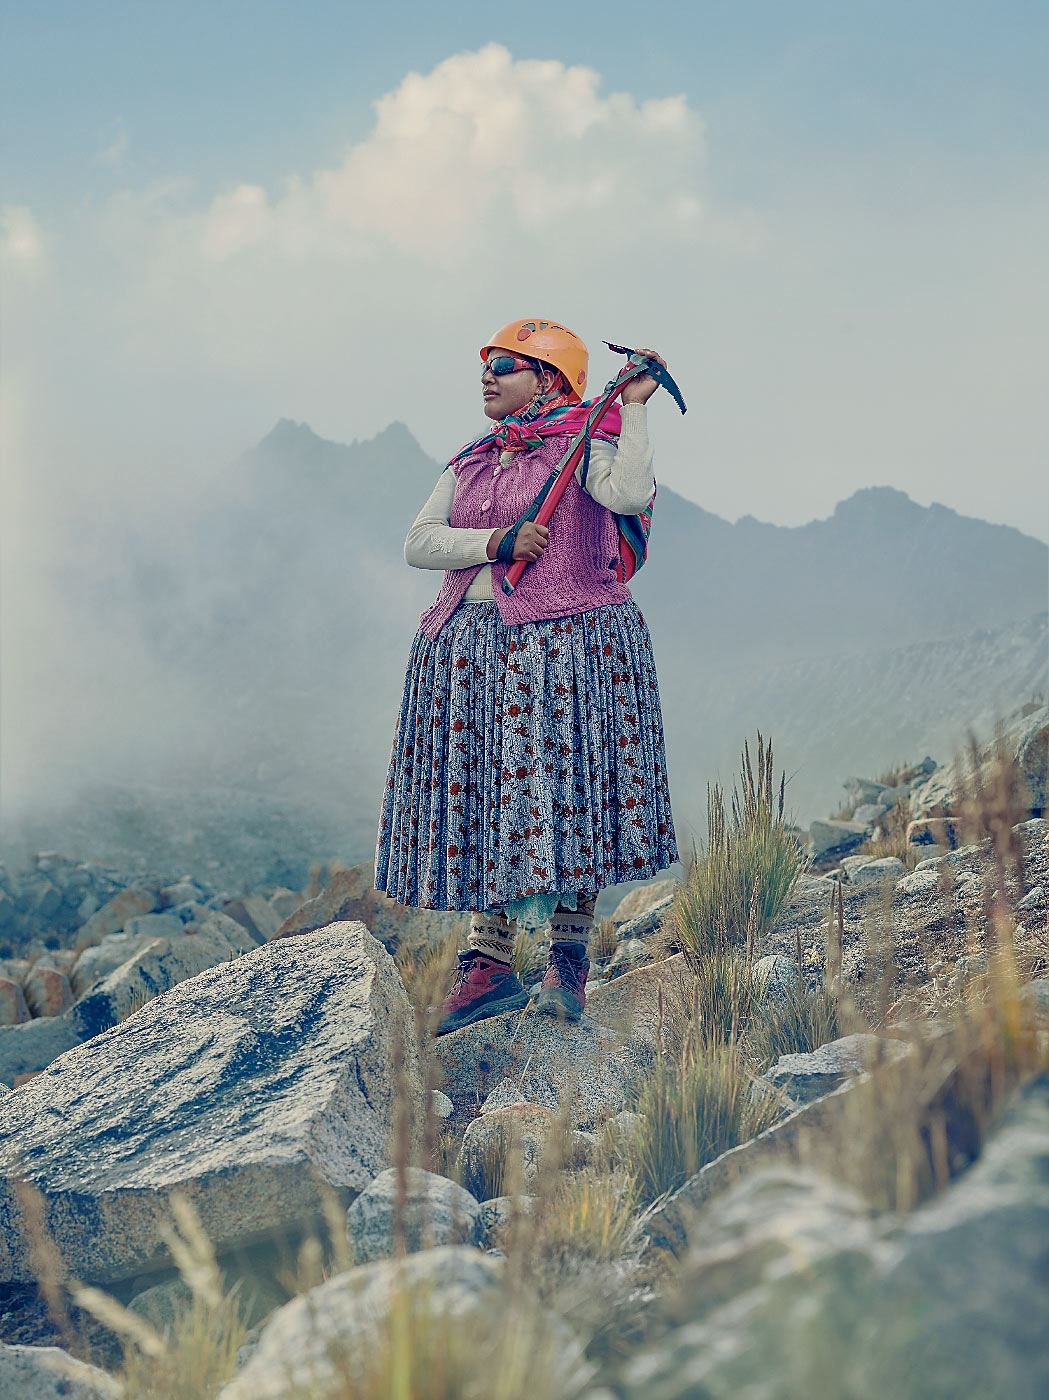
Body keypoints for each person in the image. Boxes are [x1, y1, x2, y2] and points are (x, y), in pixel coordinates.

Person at [374, 318, 678, 1035]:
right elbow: (420, 542)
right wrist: (496, 542)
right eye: (486, 365)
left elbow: (630, 497)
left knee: (569, 794)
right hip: (473, 648)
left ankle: (565, 962)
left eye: (504, 365)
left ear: (548, 379)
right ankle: (489, 967)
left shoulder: (588, 445)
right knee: (490, 795)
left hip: (571, 641)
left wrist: (632, 406)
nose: (487, 377)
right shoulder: (474, 458)